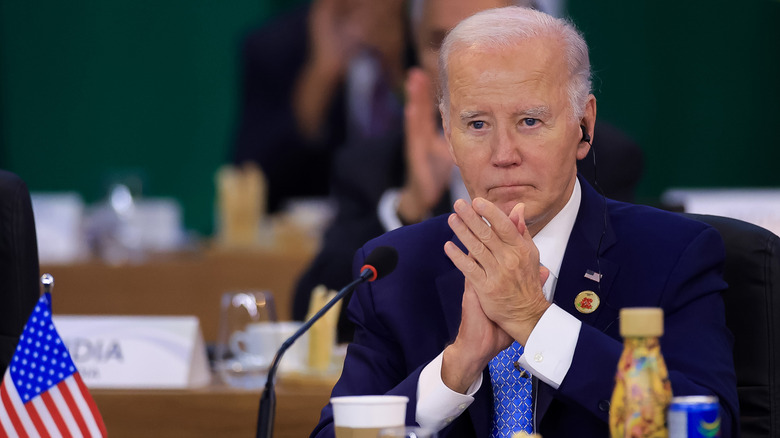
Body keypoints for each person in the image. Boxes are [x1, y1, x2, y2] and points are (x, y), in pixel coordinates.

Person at [308, 6, 738, 437]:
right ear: (448, 134)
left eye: (529, 122)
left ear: (583, 126)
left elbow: (709, 427)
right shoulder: (397, 271)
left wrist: (535, 321)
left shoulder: (673, 254)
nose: (503, 154)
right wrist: (453, 371)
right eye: (477, 124)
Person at [292, 0, 643, 343]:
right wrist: (408, 208)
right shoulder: (374, 165)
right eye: (445, 40)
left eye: (496, 33)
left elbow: (627, 306)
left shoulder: (600, 154)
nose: (476, 52)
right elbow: (315, 319)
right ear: (415, 48)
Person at [232, 0, 407, 213]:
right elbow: (251, 181)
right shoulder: (277, 46)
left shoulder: (432, 31)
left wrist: (400, 72)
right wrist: (321, 77)